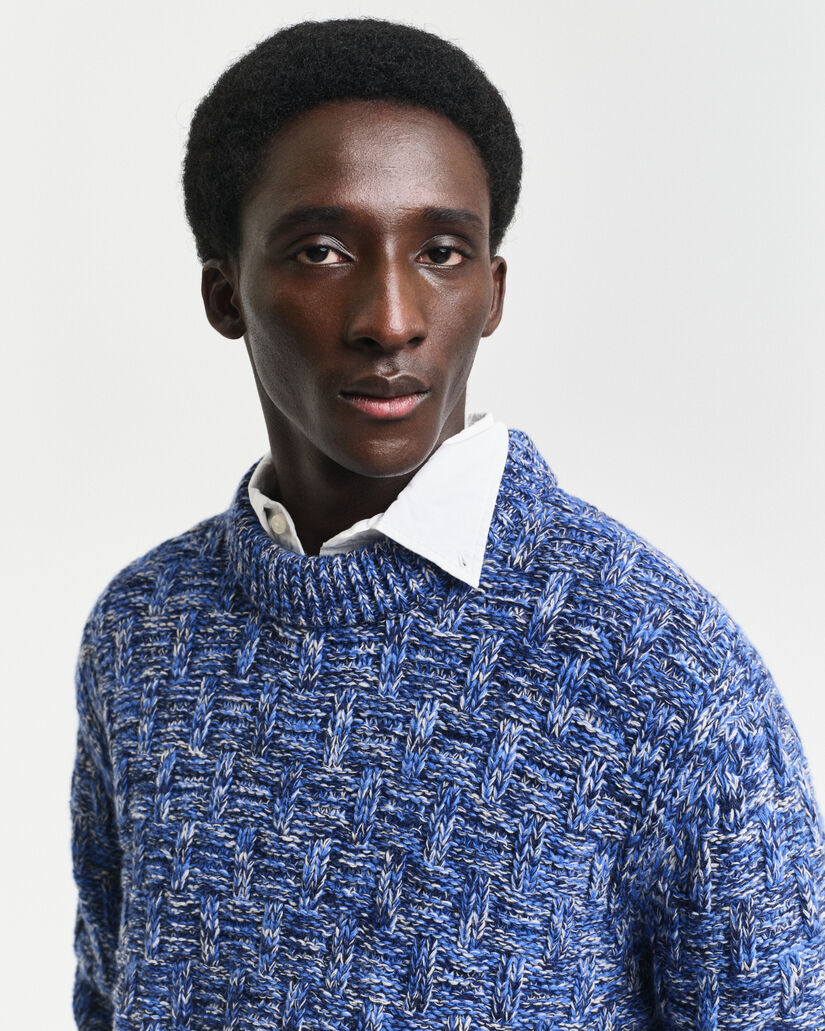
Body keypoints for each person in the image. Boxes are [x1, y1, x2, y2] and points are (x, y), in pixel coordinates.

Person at [70, 17, 825, 1030]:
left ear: (492, 291)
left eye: (440, 251)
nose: (391, 317)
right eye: (322, 249)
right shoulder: (144, 631)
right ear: (225, 292)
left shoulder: (659, 669)